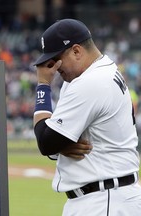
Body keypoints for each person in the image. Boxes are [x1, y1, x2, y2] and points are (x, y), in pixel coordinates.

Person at [33, 18, 141, 216]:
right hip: (103, 196)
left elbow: (46, 141)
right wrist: (61, 144)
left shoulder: (91, 82)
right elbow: (53, 144)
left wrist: (42, 85)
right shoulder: (96, 73)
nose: (53, 68)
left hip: (105, 198)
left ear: (76, 51)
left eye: (56, 59)